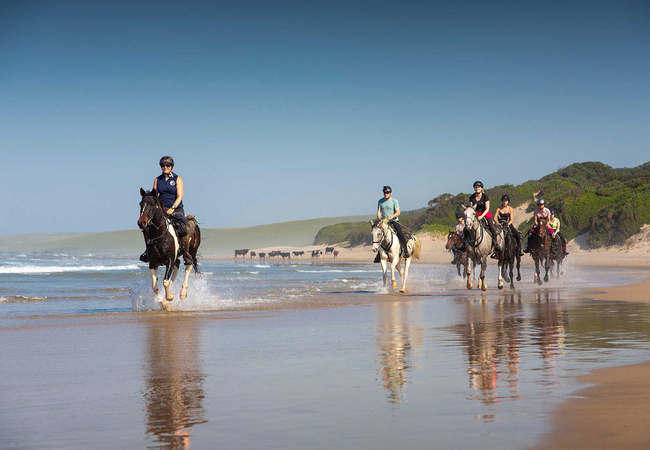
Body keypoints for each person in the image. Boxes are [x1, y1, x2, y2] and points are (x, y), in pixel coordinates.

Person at [140, 156, 193, 264]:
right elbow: (154, 196)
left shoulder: (177, 179)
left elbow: (180, 196)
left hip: (176, 208)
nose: (165, 167)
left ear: (171, 167)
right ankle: (148, 251)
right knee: (147, 228)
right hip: (162, 209)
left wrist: (172, 208)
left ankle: (186, 253)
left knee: (183, 227)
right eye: (163, 166)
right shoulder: (157, 180)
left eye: (167, 165)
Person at [467, 181, 501, 257]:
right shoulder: (471, 197)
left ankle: (495, 245)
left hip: (485, 214)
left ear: (481, 188)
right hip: (475, 215)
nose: (477, 188)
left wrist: (481, 216)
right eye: (476, 187)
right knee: (466, 229)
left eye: (478, 187)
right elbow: (471, 208)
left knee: (492, 228)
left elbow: (487, 208)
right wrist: (475, 216)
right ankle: (465, 245)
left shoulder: (485, 197)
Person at [377, 186, 410, 258]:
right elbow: (379, 211)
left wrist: (391, 217)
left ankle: (405, 250)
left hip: (393, 221)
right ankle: (378, 254)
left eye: (387, 192)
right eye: (385, 193)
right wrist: (379, 218)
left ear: (390, 193)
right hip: (384, 222)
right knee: (378, 235)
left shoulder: (394, 201)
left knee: (400, 234)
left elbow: (398, 212)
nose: (386, 194)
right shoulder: (380, 201)